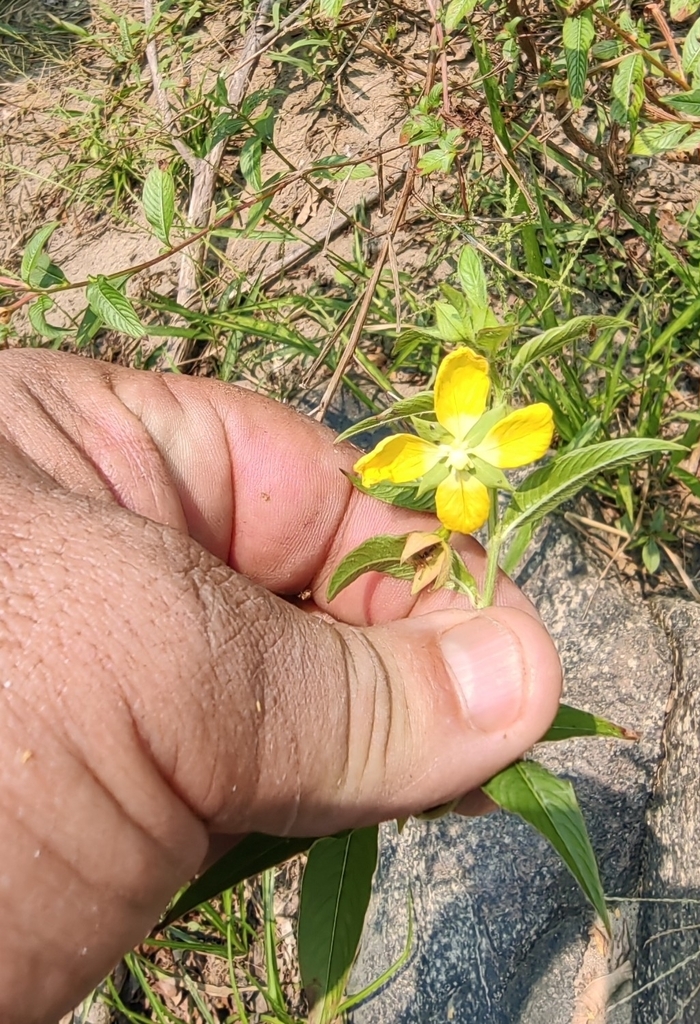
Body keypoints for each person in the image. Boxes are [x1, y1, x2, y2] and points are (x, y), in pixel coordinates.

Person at [0, 348, 562, 1023]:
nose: (456, 458)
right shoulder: (425, 477)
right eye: (445, 450)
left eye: (463, 454)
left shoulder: (463, 481)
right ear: (432, 440)